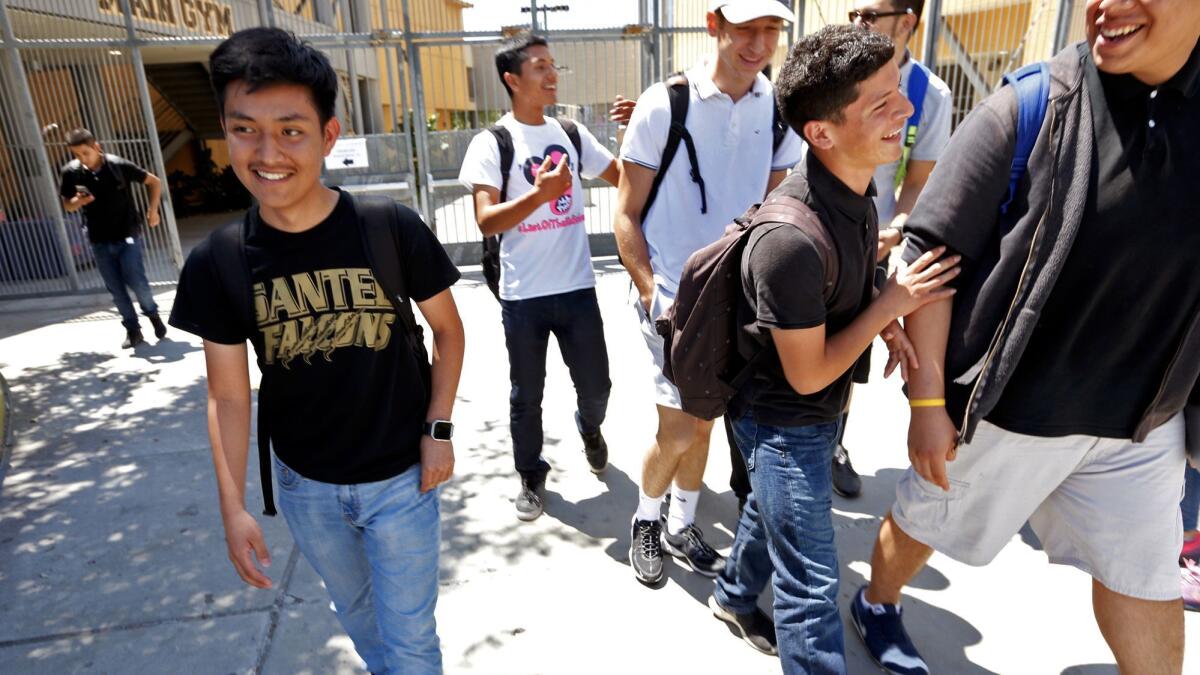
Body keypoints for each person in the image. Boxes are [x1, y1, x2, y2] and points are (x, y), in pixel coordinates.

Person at [854, 2, 1200, 673]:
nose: (1110, 6)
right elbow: (929, 250)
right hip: (1012, 409)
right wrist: (928, 405)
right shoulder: (1033, 105)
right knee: (925, 518)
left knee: (1145, 575)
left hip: (1140, 425)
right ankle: (877, 601)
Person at [168, 28, 465, 674]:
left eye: (292, 131)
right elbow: (225, 393)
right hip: (308, 488)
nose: (268, 152)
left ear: (329, 137)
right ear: (224, 130)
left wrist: (438, 428)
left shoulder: (389, 228)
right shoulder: (219, 261)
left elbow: (449, 331)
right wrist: (235, 507)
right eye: (245, 129)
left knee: (411, 642)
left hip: (402, 481)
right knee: (361, 624)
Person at [708, 26, 957, 670]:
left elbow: (847, 284)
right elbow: (809, 371)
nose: (905, 110)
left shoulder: (859, 189)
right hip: (783, 421)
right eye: (880, 103)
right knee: (810, 586)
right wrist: (891, 305)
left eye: (898, 91)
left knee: (770, 513)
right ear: (820, 132)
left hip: (821, 405)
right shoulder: (787, 240)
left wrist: (886, 318)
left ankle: (732, 592)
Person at [615, 0, 803, 586]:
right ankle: (646, 522)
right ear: (714, 24)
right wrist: (654, 296)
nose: (759, 42)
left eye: (771, 29)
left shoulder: (776, 108)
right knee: (678, 427)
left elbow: (776, 208)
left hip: (738, 300)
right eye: (746, 27)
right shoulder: (664, 102)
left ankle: (683, 521)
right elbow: (625, 216)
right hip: (672, 297)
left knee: (705, 421)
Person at [459, 34, 620, 522]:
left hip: (577, 290)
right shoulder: (493, 142)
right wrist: (541, 195)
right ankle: (531, 475)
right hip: (523, 295)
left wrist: (644, 139)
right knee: (526, 396)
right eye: (539, 67)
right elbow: (487, 220)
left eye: (553, 66)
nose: (551, 75)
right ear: (512, 79)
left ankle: (589, 427)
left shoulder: (570, 133)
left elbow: (621, 176)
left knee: (598, 387)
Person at [831, 0, 954, 499]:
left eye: (870, 14)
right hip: (819, 230)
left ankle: (830, 443)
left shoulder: (929, 94)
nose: (858, 23)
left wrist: (897, 229)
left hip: (874, 243)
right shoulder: (833, 71)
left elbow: (919, 182)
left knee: (849, 351)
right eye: (853, 12)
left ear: (906, 22)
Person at [60, 128, 167, 349]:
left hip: (127, 235)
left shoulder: (118, 166)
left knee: (137, 281)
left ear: (97, 147)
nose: (82, 159)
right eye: (76, 155)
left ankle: (153, 315)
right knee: (116, 290)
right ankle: (133, 330)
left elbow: (154, 181)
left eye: (85, 153)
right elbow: (67, 205)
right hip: (99, 240)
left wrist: (153, 210)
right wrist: (78, 202)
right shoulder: (71, 172)